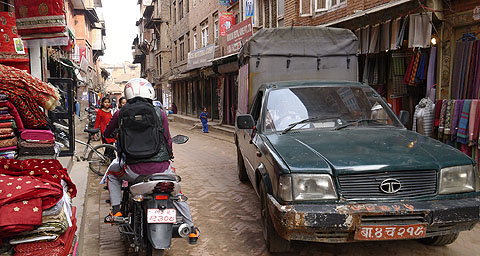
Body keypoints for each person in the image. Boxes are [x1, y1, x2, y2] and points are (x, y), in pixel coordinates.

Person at [102, 78, 199, 244]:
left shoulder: (121, 112)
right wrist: (169, 156)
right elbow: (167, 139)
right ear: (150, 93)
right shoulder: (160, 113)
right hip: (161, 169)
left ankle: (116, 211)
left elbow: (107, 133)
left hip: (132, 171)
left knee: (112, 174)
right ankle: (191, 228)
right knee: (176, 193)